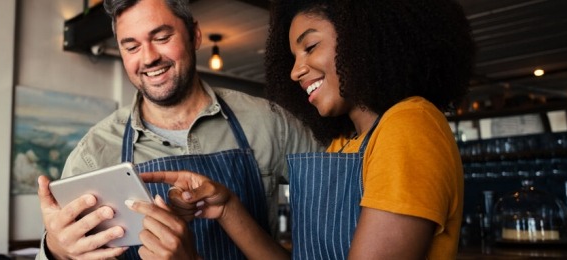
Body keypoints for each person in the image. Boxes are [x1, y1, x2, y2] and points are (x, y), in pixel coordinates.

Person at [144, 0, 475, 259]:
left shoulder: (409, 125)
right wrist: (227, 206)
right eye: (292, 56)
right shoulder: (343, 144)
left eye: (310, 46)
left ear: (363, 36)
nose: (295, 71)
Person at [35, 0, 320, 259]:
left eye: (162, 38)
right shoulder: (93, 153)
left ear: (194, 34)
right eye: (131, 46)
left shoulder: (272, 123)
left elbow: (328, 232)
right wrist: (56, 250)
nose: (148, 58)